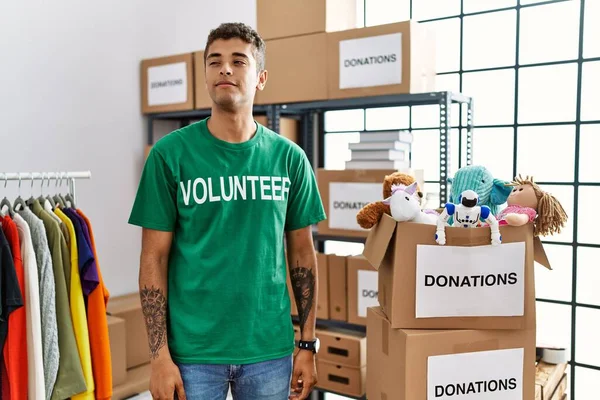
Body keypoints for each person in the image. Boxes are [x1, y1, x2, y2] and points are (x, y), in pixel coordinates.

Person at [128, 22, 327, 400]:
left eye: (239, 60)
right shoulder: (170, 155)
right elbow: (153, 256)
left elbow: (302, 254)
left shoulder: (290, 159)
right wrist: (158, 357)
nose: (225, 69)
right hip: (191, 355)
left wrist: (308, 343)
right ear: (205, 74)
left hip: (269, 350)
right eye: (214, 61)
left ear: (260, 78)